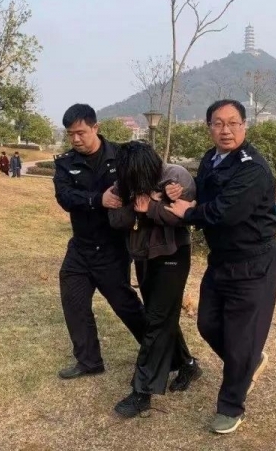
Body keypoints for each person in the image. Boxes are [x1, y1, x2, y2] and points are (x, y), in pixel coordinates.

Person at [166, 99, 276, 435]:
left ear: (245, 126)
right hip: (222, 260)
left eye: (233, 123)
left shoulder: (252, 168)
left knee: (242, 337)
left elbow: (224, 212)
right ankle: (249, 364)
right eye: (218, 123)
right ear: (209, 127)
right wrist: (180, 192)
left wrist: (187, 213)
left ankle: (231, 406)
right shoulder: (211, 158)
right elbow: (203, 193)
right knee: (208, 324)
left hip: (253, 262)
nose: (225, 130)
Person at [107, 142, 201, 418]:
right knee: (159, 316)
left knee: (158, 320)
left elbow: (184, 219)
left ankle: (142, 391)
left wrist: (152, 206)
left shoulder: (177, 176)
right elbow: (116, 220)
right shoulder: (124, 181)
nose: (132, 181)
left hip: (173, 256)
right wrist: (135, 208)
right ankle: (187, 364)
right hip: (142, 256)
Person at [53, 104, 146, 380]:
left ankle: (165, 353)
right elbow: (65, 198)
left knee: (125, 305)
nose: (76, 139)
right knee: (74, 302)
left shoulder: (122, 156)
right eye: (71, 134)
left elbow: (144, 183)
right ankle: (89, 360)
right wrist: (97, 200)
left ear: (96, 128)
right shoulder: (66, 163)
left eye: (81, 132)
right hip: (80, 247)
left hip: (113, 248)